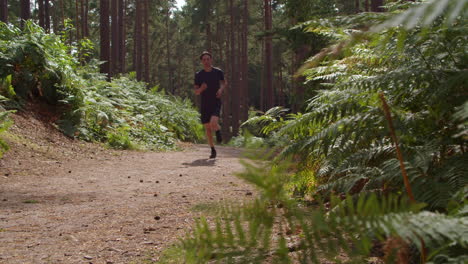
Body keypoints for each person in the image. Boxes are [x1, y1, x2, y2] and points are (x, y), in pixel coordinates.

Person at [194, 51, 227, 159]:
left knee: (213, 122)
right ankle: (213, 149)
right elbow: (196, 91)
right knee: (208, 128)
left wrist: (221, 90)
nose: (206, 61)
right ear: (201, 62)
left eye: (208, 59)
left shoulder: (218, 72)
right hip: (205, 104)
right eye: (204, 59)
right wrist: (201, 89)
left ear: (211, 60)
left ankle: (218, 130)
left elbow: (223, 83)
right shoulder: (199, 75)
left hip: (216, 101)